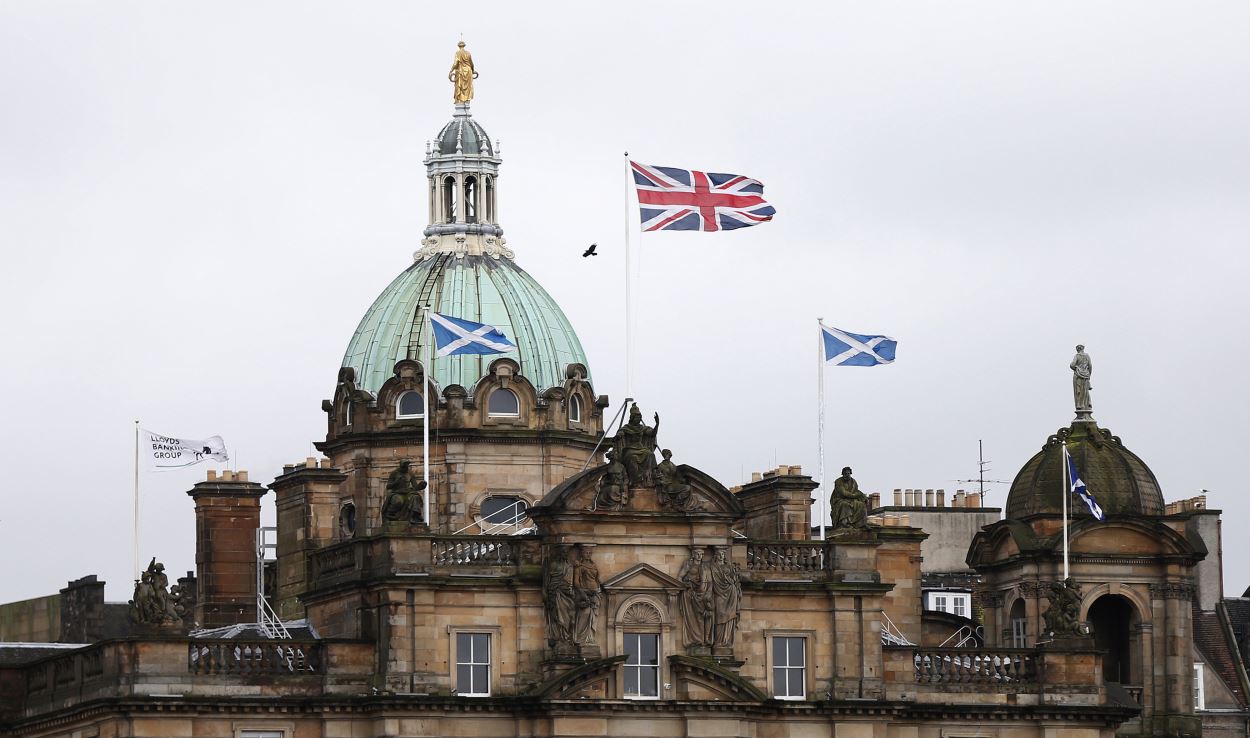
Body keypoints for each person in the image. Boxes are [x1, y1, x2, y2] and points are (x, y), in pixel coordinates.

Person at [612, 404, 659, 486]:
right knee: (632, 457)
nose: (638, 419)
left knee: (650, 454)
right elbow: (621, 432)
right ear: (632, 418)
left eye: (639, 417)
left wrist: (657, 424)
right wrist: (618, 436)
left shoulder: (642, 428)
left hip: (641, 448)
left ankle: (653, 475)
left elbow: (652, 433)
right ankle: (635, 480)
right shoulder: (627, 427)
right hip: (630, 449)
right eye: (636, 417)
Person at [829, 466, 868, 531]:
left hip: (851, 499)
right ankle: (844, 523)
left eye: (848, 474)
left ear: (850, 473)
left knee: (861, 505)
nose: (847, 475)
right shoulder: (838, 481)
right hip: (839, 499)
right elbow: (843, 493)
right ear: (842, 474)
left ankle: (861, 524)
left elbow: (856, 491)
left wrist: (863, 496)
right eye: (845, 474)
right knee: (844, 505)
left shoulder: (853, 481)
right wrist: (856, 495)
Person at [1071, 345, 1092, 415]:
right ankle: (1086, 405)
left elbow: (1072, 365)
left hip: (1078, 375)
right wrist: (1089, 375)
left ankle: (1079, 405)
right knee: (1085, 391)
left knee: (1079, 391)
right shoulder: (1087, 356)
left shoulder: (1077, 356)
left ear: (1077, 349)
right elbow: (1090, 366)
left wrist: (1076, 368)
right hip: (1086, 375)